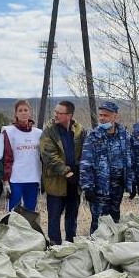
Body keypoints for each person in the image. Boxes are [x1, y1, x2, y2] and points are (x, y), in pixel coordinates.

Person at [80, 101, 134, 233]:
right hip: (100, 187)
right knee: (99, 223)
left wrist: (131, 183)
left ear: (115, 116)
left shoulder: (124, 134)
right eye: (100, 115)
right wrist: (87, 187)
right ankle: (95, 249)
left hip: (117, 186)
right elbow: (86, 162)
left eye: (106, 115)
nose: (102, 118)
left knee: (114, 220)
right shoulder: (93, 135)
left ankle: (111, 251)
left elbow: (129, 159)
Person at [40, 100, 86, 245]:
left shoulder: (79, 130)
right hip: (56, 182)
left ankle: (70, 244)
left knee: (72, 216)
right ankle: (55, 246)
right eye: (55, 112)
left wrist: (79, 172)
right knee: (54, 217)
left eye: (59, 113)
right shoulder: (49, 130)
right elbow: (48, 155)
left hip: (74, 182)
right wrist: (66, 172)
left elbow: (85, 152)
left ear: (69, 115)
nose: (56, 115)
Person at [2, 99, 43, 211]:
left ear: (30, 112)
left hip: (33, 178)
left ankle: (28, 229)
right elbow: (7, 157)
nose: (23, 113)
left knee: (30, 210)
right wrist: (5, 180)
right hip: (16, 179)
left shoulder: (38, 133)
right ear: (16, 113)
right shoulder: (9, 132)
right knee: (13, 211)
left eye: (26, 110)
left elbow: (43, 156)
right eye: (20, 110)